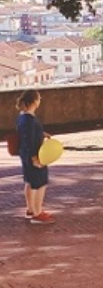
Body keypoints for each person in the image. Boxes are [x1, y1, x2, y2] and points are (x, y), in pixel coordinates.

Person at [17, 90, 53, 224]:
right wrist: (34, 158)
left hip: (25, 155)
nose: (39, 101)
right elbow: (29, 140)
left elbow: (27, 134)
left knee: (29, 181)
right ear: (34, 101)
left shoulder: (22, 117)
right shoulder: (30, 120)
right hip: (35, 155)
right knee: (40, 183)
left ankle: (31, 209)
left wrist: (42, 134)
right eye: (39, 99)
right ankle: (37, 213)